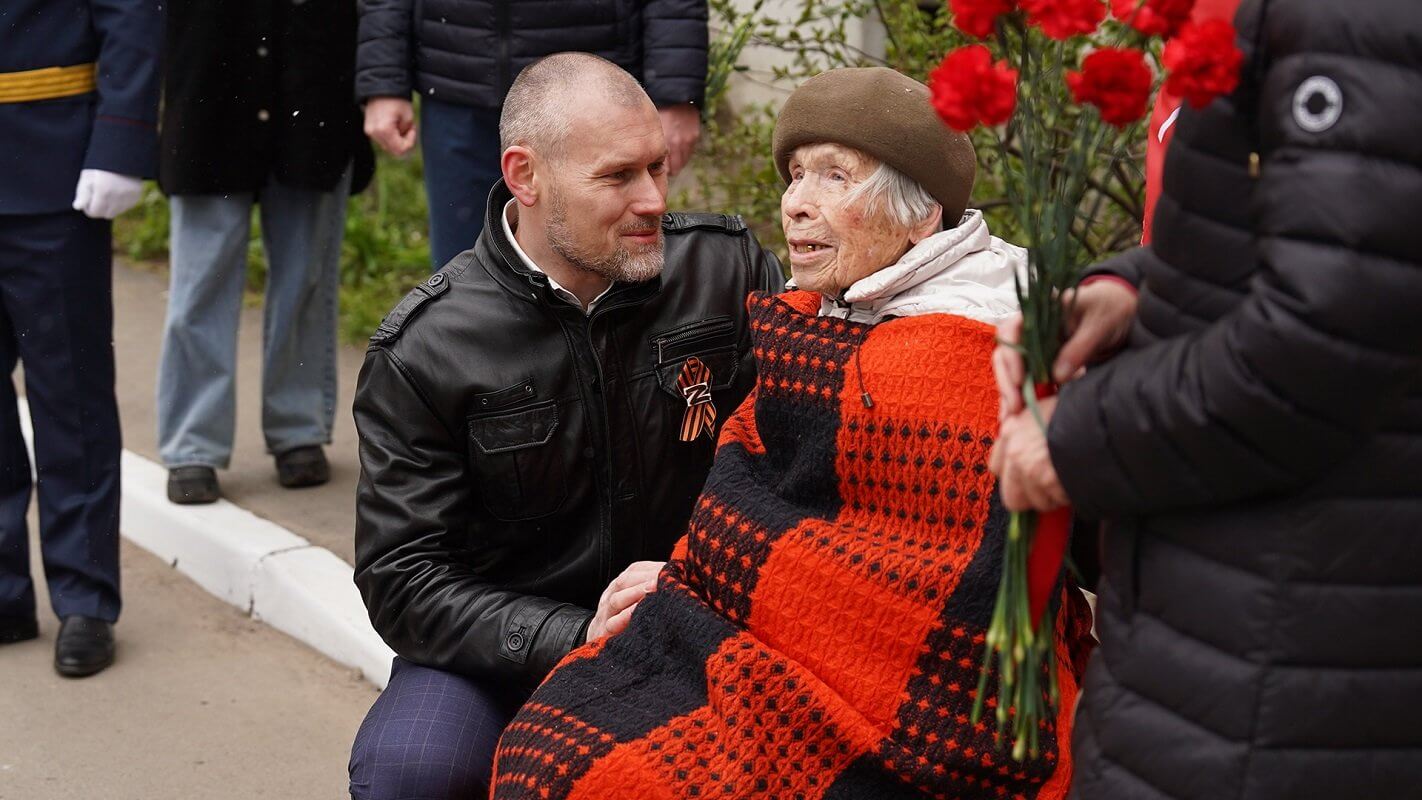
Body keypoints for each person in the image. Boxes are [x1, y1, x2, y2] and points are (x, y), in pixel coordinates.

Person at [491, 67, 1094, 800]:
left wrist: (749, 607)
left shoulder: (976, 350)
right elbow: (758, 503)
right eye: (795, 176)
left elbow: (942, 581)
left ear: (921, 213)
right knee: (547, 748)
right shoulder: (824, 313)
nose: (797, 206)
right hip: (749, 642)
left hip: (909, 703)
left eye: (835, 178)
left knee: (605, 779)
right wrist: (691, 578)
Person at [990, 1, 1422, 797]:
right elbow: (1319, 231)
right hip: (1225, 615)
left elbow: (1330, 332)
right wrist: (1134, 288)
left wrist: (1075, 439)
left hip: (1289, 638)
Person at [346, 53, 782, 800]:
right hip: (501, 655)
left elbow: (809, 435)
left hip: (700, 621)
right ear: (526, 175)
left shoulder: (725, 271)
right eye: (617, 177)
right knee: (411, 773)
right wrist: (572, 635)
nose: (652, 199)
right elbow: (403, 580)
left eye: (658, 167)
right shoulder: (427, 347)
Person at [156, 0, 375, 505]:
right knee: (200, 281)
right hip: (208, 96)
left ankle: (297, 428)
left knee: (305, 278)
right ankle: (193, 442)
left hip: (313, 95)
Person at [0, 0, 162, 676]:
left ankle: (85, 597)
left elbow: (131, 14)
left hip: (51, 160)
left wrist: (120, 139)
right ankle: (4, 594)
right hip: (46, 156)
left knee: (71, 395)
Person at [357, 0, 708, 267]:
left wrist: (676, 91)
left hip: (595, 98)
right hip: (459, 83)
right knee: (464, 280)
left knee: (605, 270)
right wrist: (384, 79)